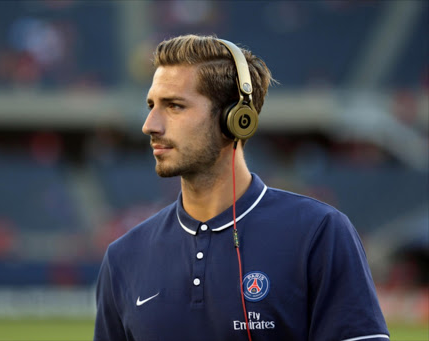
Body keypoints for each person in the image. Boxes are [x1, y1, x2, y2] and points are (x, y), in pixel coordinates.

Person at [94, 34, 389, 341]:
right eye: (151, 105)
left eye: (174, 106)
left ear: (235, 118)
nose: (150, 124)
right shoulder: (122, 257)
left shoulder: (320, 233)